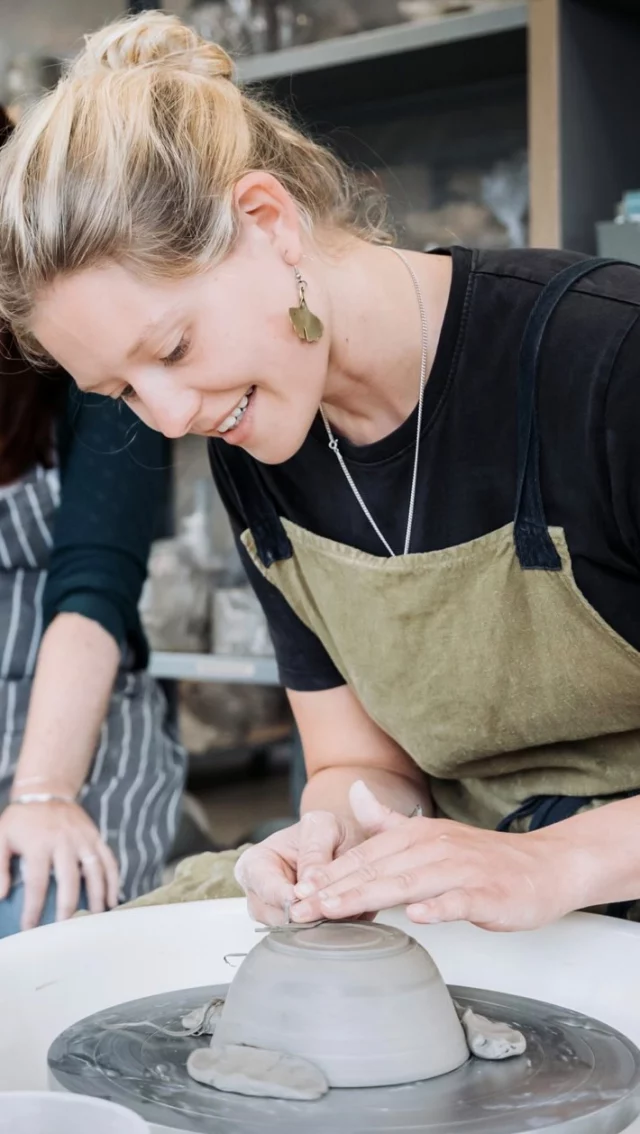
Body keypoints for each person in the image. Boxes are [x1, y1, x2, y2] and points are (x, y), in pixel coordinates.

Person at [1, 12, 640, 939]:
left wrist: (555, 861)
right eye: (121, 392)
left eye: (174, 346)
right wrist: (324, 836)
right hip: (470, 891)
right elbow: (356, 765)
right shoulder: (262, 446)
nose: (171, 415)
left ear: (268, 221)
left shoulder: (605, 362)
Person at [0, 104, 185, 937]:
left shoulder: (86, 347)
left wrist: (43, 795)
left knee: (34, 934)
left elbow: (94, 581)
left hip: (74, 730)